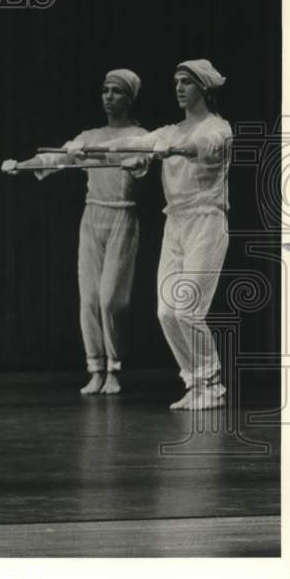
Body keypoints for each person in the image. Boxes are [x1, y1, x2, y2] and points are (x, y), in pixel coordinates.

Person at [2, 69, 147, 395]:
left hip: (122, 218)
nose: (109, 97)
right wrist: (21, 165)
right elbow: (56, 157)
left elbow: (142, 161)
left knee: (111, 299)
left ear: (130, 98)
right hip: (92, 216)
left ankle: (115, 369)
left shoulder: (141, 136)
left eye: (117, 91)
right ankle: (95, 368)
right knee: (90, 298)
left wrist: (132, 162)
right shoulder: (89, 135)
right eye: (105, 90)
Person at [106, 60, 231, 411]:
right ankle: (194, 383)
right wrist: (91, 150)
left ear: (203, 89)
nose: (178, 88)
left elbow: (204, 147)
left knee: (189, 309)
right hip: (175, 223)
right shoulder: (170, 131)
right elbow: (137, 141)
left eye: (186, 83)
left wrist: (171, 150)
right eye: (175, 82)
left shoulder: (218, 128)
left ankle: (212, 384)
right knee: (166, 312)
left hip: (207, 222)